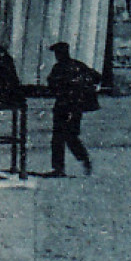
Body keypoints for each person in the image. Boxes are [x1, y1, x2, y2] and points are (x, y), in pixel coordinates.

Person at [45, 41, 100, 176]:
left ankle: (59, 168)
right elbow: (97, 76)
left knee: (59, 137)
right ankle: (83, 160)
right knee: (70, 136)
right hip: (76, 107)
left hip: (64, 106)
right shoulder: (78, 65)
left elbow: (51, 85)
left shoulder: (59, 68)